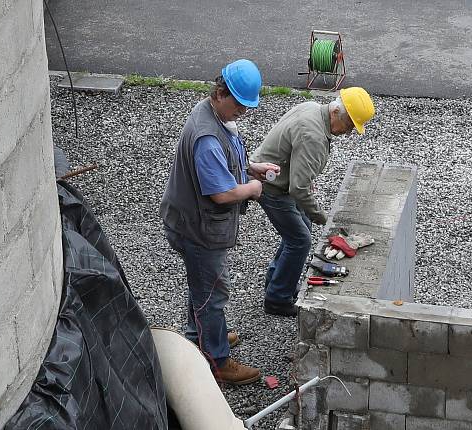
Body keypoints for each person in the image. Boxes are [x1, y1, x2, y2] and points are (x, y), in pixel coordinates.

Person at [159, 59, 279, 385]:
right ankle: (217, 360)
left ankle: (200, 338)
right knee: (212, 292)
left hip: (188, 220)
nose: (243, 112)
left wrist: (251, 167)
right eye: (239, 105)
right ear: (221, 93)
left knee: (202, 285)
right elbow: (222, 194)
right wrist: (253, 188)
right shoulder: (208, 138)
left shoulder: (212, 113)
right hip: (197, 228)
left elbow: (227, 161)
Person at [250, 87, 375, 316]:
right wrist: (322, 218)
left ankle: (278, 282)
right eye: (348, 126)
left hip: (276, 179)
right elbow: (297, 188)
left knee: (298, 233)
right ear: (336, 112)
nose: (347, 133)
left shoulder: (313, 109)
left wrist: (305, 178)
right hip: (272, 187)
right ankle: (277, 299)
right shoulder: (314, 136)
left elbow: (297, 167)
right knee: (300, 240)